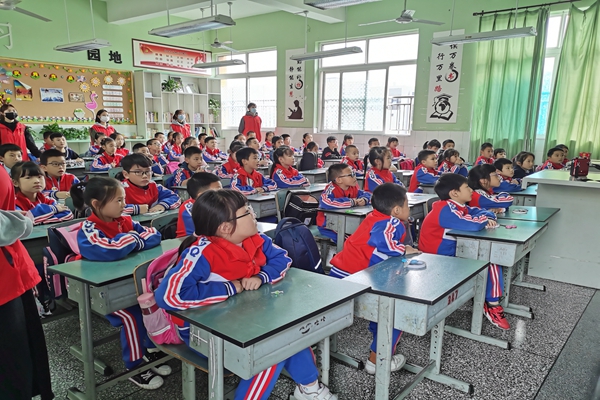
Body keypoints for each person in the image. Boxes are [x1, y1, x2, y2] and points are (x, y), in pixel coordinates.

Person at [155, 189, 338, 400]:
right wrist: (229, 288)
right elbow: (168, 296)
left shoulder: (256, 239)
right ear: (225, 227)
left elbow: (282, 259)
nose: (253, 214)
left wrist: (262, 276)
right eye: (247, 211)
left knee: (290, 333)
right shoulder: (203, 253)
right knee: (270, 350)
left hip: (243, 319)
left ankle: (309, 388)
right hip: (203, 334)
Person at [71, 177, 171, 389]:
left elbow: (154, 234)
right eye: (118, 200)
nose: (124, 204)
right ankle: (134, 367)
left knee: (151, 306)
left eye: (124, 199)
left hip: (128, 286)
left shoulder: (125, 220)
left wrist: (131, 240)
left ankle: (148, 349)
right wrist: (134, 239)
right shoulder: (88, 229)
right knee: (132, 317)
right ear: (97, 204)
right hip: (101, 292)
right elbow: (108, 250)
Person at [329, 183, 419, 374]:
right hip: (356, 278)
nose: (409, 210)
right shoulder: (392, 222)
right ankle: (377, 360)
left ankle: (379, 336)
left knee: (384, 302)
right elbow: (381, 241)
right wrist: (403, 249)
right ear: (396, 210)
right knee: (398, 310)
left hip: (340, 274)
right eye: (407, 206)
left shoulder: (373, 216)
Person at [419, 173, 509, 330]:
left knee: (489, 255)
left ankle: (488, 298)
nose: (471, 190)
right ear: (454, 193)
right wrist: (485, 219)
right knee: (492, 260)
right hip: (438, 261)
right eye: (467, 187)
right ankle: (492, 304)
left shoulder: (457, 206)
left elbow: (478, 212)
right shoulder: (446, 210)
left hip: (451, 253)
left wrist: (486, 216)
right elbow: (473, 224)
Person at [0, 167, 54, 400]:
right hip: (4, 284)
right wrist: (23, 220)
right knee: (10, 365)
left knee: (22, 356)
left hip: (13, 270)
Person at [317, 163, 371, 242]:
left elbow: (367, 194)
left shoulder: (352, 187)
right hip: (328, 226)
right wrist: (351, 202)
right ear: (339, 180)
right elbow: (325, 202)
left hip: (346, 223)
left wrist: (364, 199)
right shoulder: (331, 189)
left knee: (363, 235)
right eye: (351, 175)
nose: (354, 176)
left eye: (354, 173)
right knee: (351, 240)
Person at [176, 172, 223, 238]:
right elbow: (210, 230)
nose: (223, 192)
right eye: (218, 189)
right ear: (201, 195)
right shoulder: (190, 207)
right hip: (189, 240)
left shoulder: (215, 203)